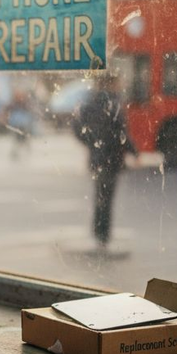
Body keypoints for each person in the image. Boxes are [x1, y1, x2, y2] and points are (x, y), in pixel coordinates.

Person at [74, 73, 136, 249]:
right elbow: (121, 133)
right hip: (112, 157)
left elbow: (77, 128)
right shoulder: (113, 103)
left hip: (96, 157)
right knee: (107, 197)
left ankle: (98, 232)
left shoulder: (89, 103)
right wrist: (134, 152)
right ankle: (103, 235)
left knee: (99, 195)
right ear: (111, 84)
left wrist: (92, 144)